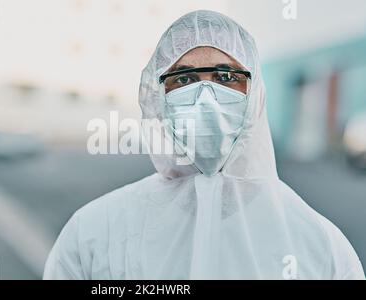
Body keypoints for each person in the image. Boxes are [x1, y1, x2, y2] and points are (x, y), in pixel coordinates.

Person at [43, 10, 365, 279]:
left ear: (255, 98)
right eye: (184, 79)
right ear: (157, 98)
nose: (206, 100)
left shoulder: (322, 250)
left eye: (226, 77)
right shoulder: (93, 237)